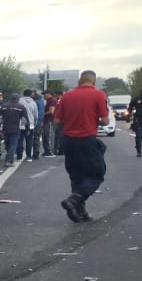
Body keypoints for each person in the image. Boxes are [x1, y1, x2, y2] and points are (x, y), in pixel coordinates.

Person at [53, 70, 109, 222]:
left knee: (76, 174)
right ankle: (75, 199)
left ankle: (80, 211)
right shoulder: (98, 95)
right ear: (94, 81)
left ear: (79, 80)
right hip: (86, 139)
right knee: (97, 173)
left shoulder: (67, 96)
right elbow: (105, 121)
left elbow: (56, 121)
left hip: (68, 140)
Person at [0, 92, 27, 167]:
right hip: (15, 129)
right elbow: (25, 119)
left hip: (5, 129)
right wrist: (27, 129)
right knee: (13, 145)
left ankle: (8, 158)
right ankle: (9, 161)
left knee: (8, 144)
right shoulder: (21, 107)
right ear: (18, 99)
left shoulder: (3, 106)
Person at [19, 89, 40, 160]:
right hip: (30, 125)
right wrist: (35, 123)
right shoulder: (33, 102)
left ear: (23, 94)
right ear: (31, 94)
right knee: (29, 141)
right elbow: (36, 115)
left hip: (20, 125)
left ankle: (19, 156)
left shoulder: (19, 101)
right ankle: (29, 156)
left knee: (20, 141)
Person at [42, 90, 58, 157]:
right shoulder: (49, 100)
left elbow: (51, 111)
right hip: (47, 121)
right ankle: (46, 151)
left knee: (49, 136)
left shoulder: (52, 100)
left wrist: (42, 114)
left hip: (50, 121)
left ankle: (50, 152)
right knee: (45, 136)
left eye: (45, 94)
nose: (44, 96)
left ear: (49, 94)